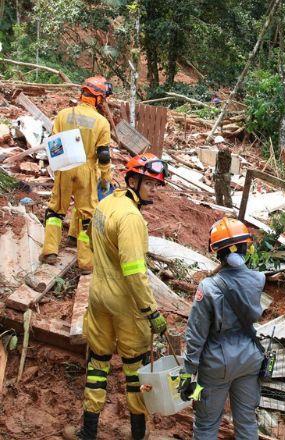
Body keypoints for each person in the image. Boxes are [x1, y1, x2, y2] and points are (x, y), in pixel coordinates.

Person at [64, 153, 168, 440]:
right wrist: (151, 312)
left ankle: (88, 431)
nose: (153, 190)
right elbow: (135, 273)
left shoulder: (106, 204)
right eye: (149, 183)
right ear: (133, 180)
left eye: (156, 185)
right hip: (125, 304)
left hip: (98, 296)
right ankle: (138, 434)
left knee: (98, 362)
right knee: (135, 370)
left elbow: (90, 242)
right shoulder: (132, 218)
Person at [179, 217, 265, 439]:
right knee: (247, 422)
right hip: (249, 357)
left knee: (207, 425)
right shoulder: (257, 280)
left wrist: (187, 372)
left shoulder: (208, 288)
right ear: (246, 247)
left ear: (217, 253)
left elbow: (196, 335)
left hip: (217, 362)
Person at [40, 76, 113, 273]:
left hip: (64, 166)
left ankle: (50, 251)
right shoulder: (101, 122)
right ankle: (86, 262)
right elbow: (103, 155)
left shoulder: (63, 115)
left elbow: (53, 143)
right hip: (86, 169)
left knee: (55, 210)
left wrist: (57, 165)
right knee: (87, 215)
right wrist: (106, 178)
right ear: (98, 98)